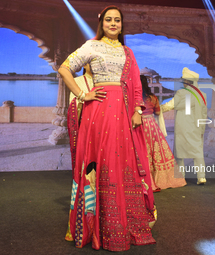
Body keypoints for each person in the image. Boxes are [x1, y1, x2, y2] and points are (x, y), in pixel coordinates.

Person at [58, 6, 156, 251]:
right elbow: (64, 68)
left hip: (123, 113)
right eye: (109, 20)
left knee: (123, 163)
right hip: (99, 111)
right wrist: (82, 94)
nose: (113, 24)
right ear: (101, 23)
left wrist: (137, 111)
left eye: (118, 20)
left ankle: (125, 224)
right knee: (100, 161)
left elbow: (135, 85)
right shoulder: (91, 46)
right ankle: (96, 226)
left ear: (122, 25)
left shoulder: (127, 52)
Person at [161, 68, 208, 185]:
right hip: (196, 127)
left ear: (187, 81)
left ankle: (181, 177)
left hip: (182, 127)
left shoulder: (181, 93)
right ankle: (201, 177)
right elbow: (204, 114)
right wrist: (202, 129)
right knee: (198, 153)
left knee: (179, 154)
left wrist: (156, 108)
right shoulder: (203, 95)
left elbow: (169, 106)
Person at [140, 75, 186, 191]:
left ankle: (146, 181)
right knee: (155, 152)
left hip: (140, 126)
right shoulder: (153, 98)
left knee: (143, 152)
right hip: (151, 126)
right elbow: (158, 111)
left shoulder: (135, 99)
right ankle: (158, 180)